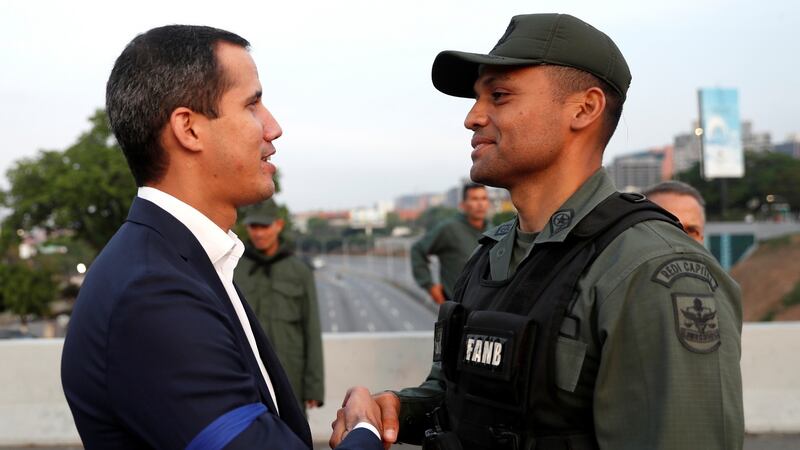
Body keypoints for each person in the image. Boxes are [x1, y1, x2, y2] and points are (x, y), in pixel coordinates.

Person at [331, 13, 743, 450]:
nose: (472, 118)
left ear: (584, 108)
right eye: (477, 98)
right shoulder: (491, 256)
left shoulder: (650, 270)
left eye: (500, 96)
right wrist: (393, 408)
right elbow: (469, 402)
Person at [60, 25, 381, 449]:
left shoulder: (182, 260)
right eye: (252, 105)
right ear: (188, 129)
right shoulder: (152, 293)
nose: (273, 127)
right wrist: (366, 427)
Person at [235, 199, 325, 413]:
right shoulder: (234, 267)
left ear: (279, 225)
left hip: (290, 376)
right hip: (246, 375)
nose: (258, 234)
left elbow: (311, 329)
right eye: (253, 227)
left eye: (264, 226)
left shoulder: (299, 271)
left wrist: (314, 388)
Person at [410, 183, 490, 304]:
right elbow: (417, 250)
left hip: (485, 308)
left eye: (483, 199)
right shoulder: (449, 229)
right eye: (474, 199)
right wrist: (430, 286)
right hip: (456, 308)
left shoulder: (493, 231)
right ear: (463, 205)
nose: (480, 204)